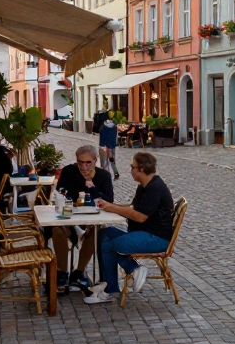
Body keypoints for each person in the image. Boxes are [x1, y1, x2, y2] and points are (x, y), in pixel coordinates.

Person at [85, 151, 175, 304]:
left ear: (141, 168)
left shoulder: (154, 188)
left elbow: (139, 216)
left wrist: (112, 208)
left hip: (155, 238)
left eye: (132, 166)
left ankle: (125, 276)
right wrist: (110, 206)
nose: (130, 170)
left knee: (108, 245)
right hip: (143, 232)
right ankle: (117, 281)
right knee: (104, 234)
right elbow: (133, 208)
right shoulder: (144, 186)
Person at [50, 145, 114, 293]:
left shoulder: (103, 176)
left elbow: (108, 200)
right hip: (69, 218)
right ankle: (62, 272)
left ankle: (79, 272)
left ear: (95, 161)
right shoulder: (68, 171)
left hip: (90, 220)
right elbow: (60, 192)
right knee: (56, 231)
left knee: (96, 232)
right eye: (80, 162)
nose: (84, 166)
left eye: (88, 163)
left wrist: (91, 186)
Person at [95, 109, 119, 178]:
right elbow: (115, 136)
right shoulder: (114, 126)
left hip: (104, 145)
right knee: (112, 160)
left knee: (104, 162)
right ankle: (115, 173)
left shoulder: (103, 126)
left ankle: (106, 175)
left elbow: (102, 136)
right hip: (112, 145)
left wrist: (102, 145)